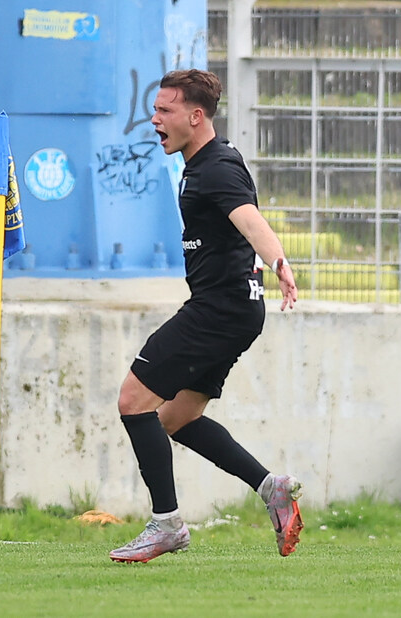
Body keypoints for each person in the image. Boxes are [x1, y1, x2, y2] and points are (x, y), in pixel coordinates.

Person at [109, 69, 303, 564]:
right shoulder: (209, 161)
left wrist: (280, 263)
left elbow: (251, 221)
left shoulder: (214, 168)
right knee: (176, 418)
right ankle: (270, 488)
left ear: (196, 117)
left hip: (218, 310)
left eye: (165, 111)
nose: (154, 120)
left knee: (134, 401)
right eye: (154, 110)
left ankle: (166, 525)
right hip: (236, 310)